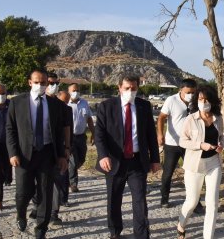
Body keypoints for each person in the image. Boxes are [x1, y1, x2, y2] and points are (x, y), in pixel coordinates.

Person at [94, 75, 160, 239]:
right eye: (127, 88)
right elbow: (99, 134)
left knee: (140, 200)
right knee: (114, 199)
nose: (130, 91)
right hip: (114, 161)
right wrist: (103, 156)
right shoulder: (106, 106)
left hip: (137, 161)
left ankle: (142, 234)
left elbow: (151, 134)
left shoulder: (144, 106)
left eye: (134, 88)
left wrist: (155, 160)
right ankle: (115, 232)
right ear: (119, 88)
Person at [6, 69, 69, 238]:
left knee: (45, 193)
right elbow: (10, 129)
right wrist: (13, 153)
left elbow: (59, 132)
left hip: (47, 154)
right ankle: (21, 214)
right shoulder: (17, 102)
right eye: (37, 82)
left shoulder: (54, 104)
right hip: (24, 155)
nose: (40, 86)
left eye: (44, 83)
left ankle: (41, 228)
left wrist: (62, 155)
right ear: (29, 82)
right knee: (23, 191)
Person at [176, 85, 224, 239]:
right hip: (194, 165)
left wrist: (221, 145)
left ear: (212, 101)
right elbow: (182, 141)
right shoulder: (191, 119)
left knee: (212, 203)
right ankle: (181, 224)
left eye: (206, 99)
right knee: (192, 201)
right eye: (200, 99)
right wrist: (200, 145)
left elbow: (221, 136)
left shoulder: (218, 118)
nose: (203, 102)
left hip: (214, 163)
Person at [29, 79, 73, 227]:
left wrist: (67, 148)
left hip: (55, 151)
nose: (50, 86)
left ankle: (53, 213)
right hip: (34, 151)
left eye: (54, 83)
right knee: (35, 181)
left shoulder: (63, 107)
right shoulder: (30, 103)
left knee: (56, 182)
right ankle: (37, 205)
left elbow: (67, 128)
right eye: (48, 83)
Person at [157, 79, 203, 210]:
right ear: (181, 90)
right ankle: (164, 198)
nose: (191, 95)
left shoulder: (196, 102)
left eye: (193, 92)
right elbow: (161, 118)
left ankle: (196, 202)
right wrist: (160, 134)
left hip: (190, 144)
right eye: (188, 92)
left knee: (193, 173)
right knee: (168, 173)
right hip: (172, 144)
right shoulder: (171, 100)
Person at [67, 83, 95, 192]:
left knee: (81, 159)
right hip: (70, 137)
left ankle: (68, 172)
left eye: (78, 90)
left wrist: (93, 133)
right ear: (68, 91)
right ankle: (73, 184)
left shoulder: (84, 103)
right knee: (73, 161)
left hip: (81, 136)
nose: (76, 92)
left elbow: (89, 119)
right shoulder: (66, 104)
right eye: (73, 90)